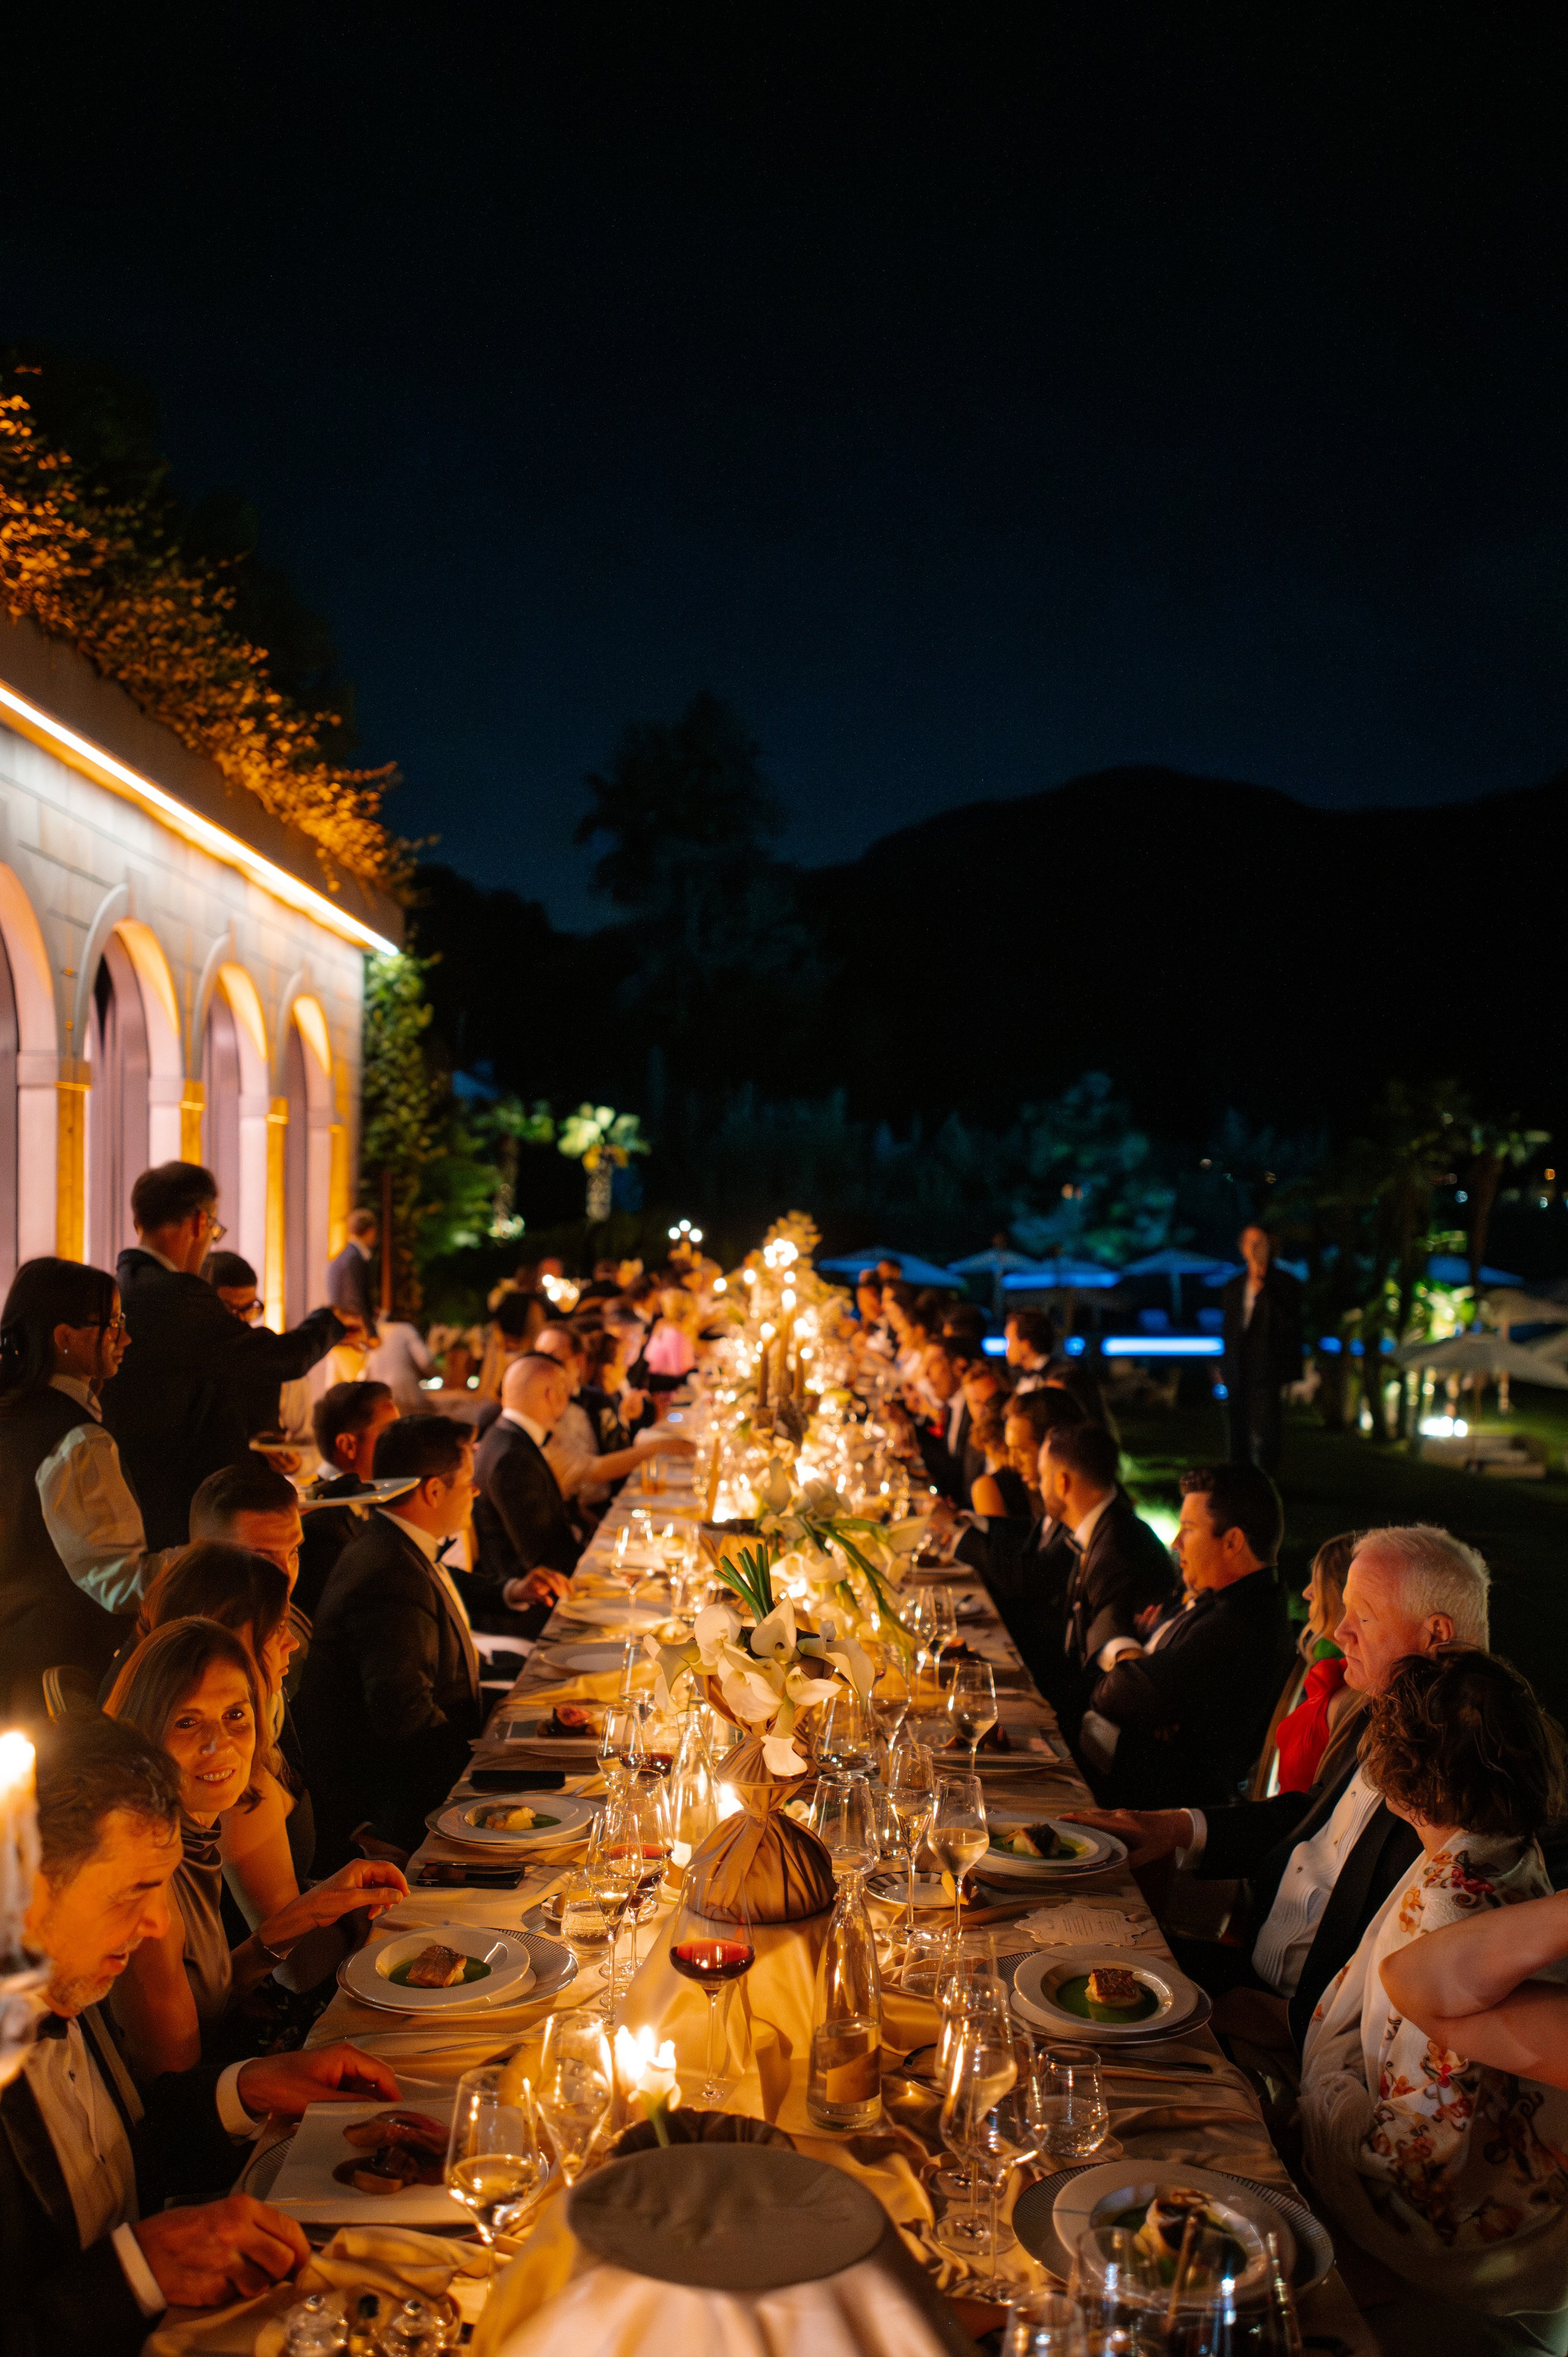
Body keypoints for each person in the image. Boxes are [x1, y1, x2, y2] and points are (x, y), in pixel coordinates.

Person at [6, 1711, 403, 2357]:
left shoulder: (70, 1983)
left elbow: (111, 2157)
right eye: (133, 1892)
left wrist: (243, 2089)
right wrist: (135, 2267)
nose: (160, 1924)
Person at [1064, 1524, 1490, 2049]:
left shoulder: (1459, 1788)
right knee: (1066, 1946)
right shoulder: (1381, 1709)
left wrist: (1284, 2023)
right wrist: (1177, 1827)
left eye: (1363, 1617)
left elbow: (1403, 2000)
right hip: (1249, 1976)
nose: (1340, 1633)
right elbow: (1310, 1818)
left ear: (1437, 1635)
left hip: (1290, 2023)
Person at [1301, 1650, 1568, 2347]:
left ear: (1400, 1787)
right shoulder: (1511, 1851)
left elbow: (1419, 2158)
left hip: (1447, 2226)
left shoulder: (1446, 1906)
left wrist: (1319, 2101)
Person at [105, 1617, 404, 2076]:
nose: (219, 1743)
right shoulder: (142, 1872)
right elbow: (176, 2080)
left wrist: (309, 1913)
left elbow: (213, 2000)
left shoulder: (193, 1835)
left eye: (235, 1715)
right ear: (141, 1733)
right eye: (187, 1722)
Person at [100, 1163, 353, 1547]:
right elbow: (280, 1358)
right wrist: (331, 1322)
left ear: (138, 1221)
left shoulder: (123, 1286)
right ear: (200, 1222)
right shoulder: (177, 1296)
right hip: (180, 1505)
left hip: (136, 1489)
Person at [294, 1414, 491, 1863]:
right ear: (433, 1490)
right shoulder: (389, 1574)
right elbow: (404, 1715)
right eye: (469, 1481)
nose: (476, 1492)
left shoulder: (389, 1544)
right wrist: (484, 1782)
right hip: (406, 1816)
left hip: (424, 1787)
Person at [1074, 1463, 1290, 1808]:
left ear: (1233, 1541)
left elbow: (1116, 1694)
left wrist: (1128, 1655)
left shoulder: (1241, 1622)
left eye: (1188, 1529)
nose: (1175, 1543)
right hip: (1127, 1771)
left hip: (1144, 1804)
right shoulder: (1231, 1599)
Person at [0, 1257, 162, 1717]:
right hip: (59, 1678)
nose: (125, 1338)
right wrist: (201, 1564)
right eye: (111, 1324)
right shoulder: (77, 1441)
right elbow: (120, 1581)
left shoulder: (13, 1417)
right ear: (64, 1337)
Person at [1039, 1419, 1175, 1705]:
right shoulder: (1103, 1528)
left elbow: (1108, 1627)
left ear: (1062, 1483)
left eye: (1043, 1477)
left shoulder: (1117, 1544)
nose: (1039, 1486)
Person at [294, 1379, 400, 1616]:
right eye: (388, 1434)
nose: (398, 1445)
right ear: (347, 1445)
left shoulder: (373, 1497)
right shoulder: (318, 1525)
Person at [1265, 1531, 1357, 1795]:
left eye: (1319, 1581)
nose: (1306, 1593)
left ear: (1346, 1591)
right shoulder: (1328, 1674)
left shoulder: (1355, 1689)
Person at [1220, 1223, 1303, 1475]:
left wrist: (1264, 1285)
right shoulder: (1233, 1287)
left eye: (1260, 1243)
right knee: (1237, 1429)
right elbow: (1230, 1329)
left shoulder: (1284, 1284)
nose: (1255, 1249)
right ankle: (1238, 1478)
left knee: (1266, 1430)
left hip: (1268, 1368)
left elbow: (1289, 1323)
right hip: (1238, 1368)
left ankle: (1268, 1480)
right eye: (1250, 1243)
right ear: (1242, 1248)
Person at [326, 1207, 379, 1333]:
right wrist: (371, 1332)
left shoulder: (344, 1255)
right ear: (370, 1231)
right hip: (353, 1329)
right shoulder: (355, 1258)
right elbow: (357, 1298)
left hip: (342, 1325)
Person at [1005, 1308, 1057, 1392]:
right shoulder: (1019, 1379)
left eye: (1009, 1341)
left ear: (1025, 1345)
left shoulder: (1057, 1378)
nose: (1007, 1350)